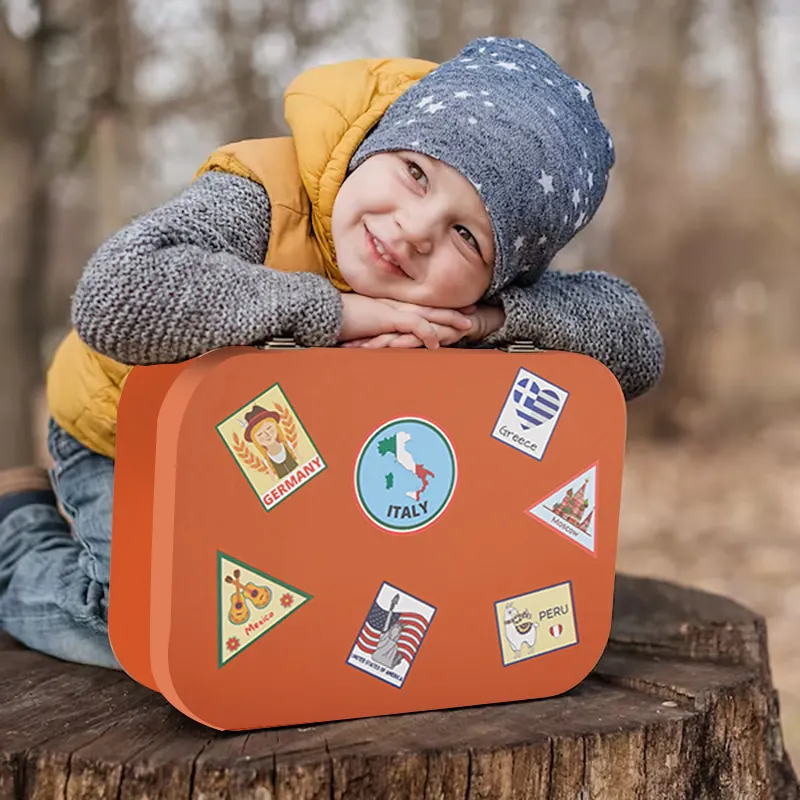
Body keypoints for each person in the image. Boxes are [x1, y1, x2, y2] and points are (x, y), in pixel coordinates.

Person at [0, 36, 664, 668]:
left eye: (467, 235)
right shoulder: (261, 194)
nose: (413, 231)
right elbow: (117, 297)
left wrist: (489, 319)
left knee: (318, 626)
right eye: (416, 173)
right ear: (381, 139)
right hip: (126, 435)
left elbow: (635, 345)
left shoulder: (476, 300)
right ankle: (15, 539)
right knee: (154, 625)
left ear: (504, 273)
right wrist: (339, 312)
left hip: (294, 462)